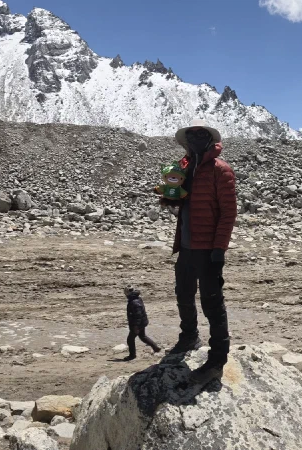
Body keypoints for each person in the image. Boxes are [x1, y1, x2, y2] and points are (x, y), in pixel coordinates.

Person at [161, 119, 237, 385]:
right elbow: (182, 201)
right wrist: (169, 197)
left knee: (212, 303)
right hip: (187, 245)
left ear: (209, 140)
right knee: (183, 293)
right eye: (191, 135)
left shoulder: (221, 170)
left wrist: (219, 249)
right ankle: (189, 337)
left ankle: (217, 360)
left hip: (208, 249)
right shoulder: (183, 168)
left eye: (200, 134)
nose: (195, 139)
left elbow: (228, 213)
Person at [123, 285, 161, 361]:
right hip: (142, 322)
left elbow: (138, 315)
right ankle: (155, 347)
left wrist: (136, 326)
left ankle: (132, 355)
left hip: (137, 324)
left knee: (130, 339)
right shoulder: (137, 298)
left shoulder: (133, 302)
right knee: (143, 337)